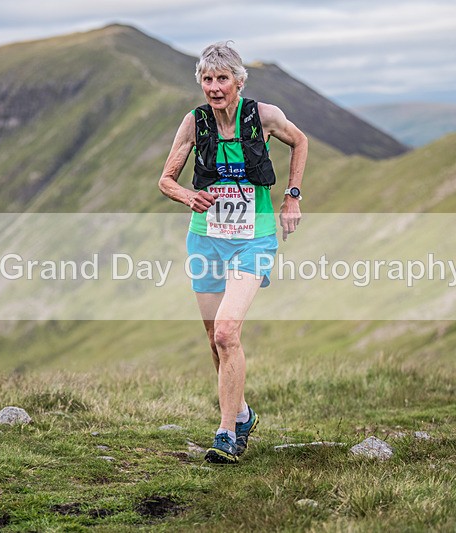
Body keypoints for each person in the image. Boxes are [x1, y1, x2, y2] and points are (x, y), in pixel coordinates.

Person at [158, 41, 308, 464]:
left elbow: (300, 142)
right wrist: (188, 196)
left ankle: (226, 434)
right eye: (207, 79)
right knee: (213, 340)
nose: (214, 87)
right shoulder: (194, 122)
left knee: (227, 332)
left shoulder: (263, 116)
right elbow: (166, 180)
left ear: (239, 82)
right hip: (205, 238)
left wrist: (292, 198)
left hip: (252, 238)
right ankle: (241, 414)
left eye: (222, 79)